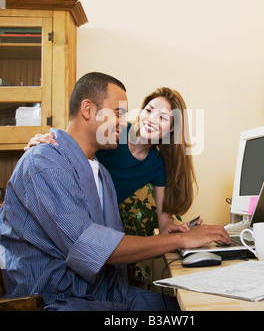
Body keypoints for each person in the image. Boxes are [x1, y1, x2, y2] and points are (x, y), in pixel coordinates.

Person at [0, 72, 231, 311]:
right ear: (88, 110)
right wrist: (181, 238)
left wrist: (174, 234)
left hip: (104, 291)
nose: (126, 122)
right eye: (118, 114)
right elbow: (93, 247)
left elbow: (161, 222)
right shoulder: (45, 162)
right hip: (62, 300)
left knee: (191, 308)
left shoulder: (102, 173)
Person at [26, 87, 199, 234]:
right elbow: (75, 143)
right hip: (70, 215)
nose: (151, 119)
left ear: (172, 128)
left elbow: (165, 223)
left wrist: (175, 230)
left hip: (99, 227)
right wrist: (48, 143)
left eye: (162, 118)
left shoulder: (157, 165)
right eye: (149, 110)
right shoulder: (115, 132)